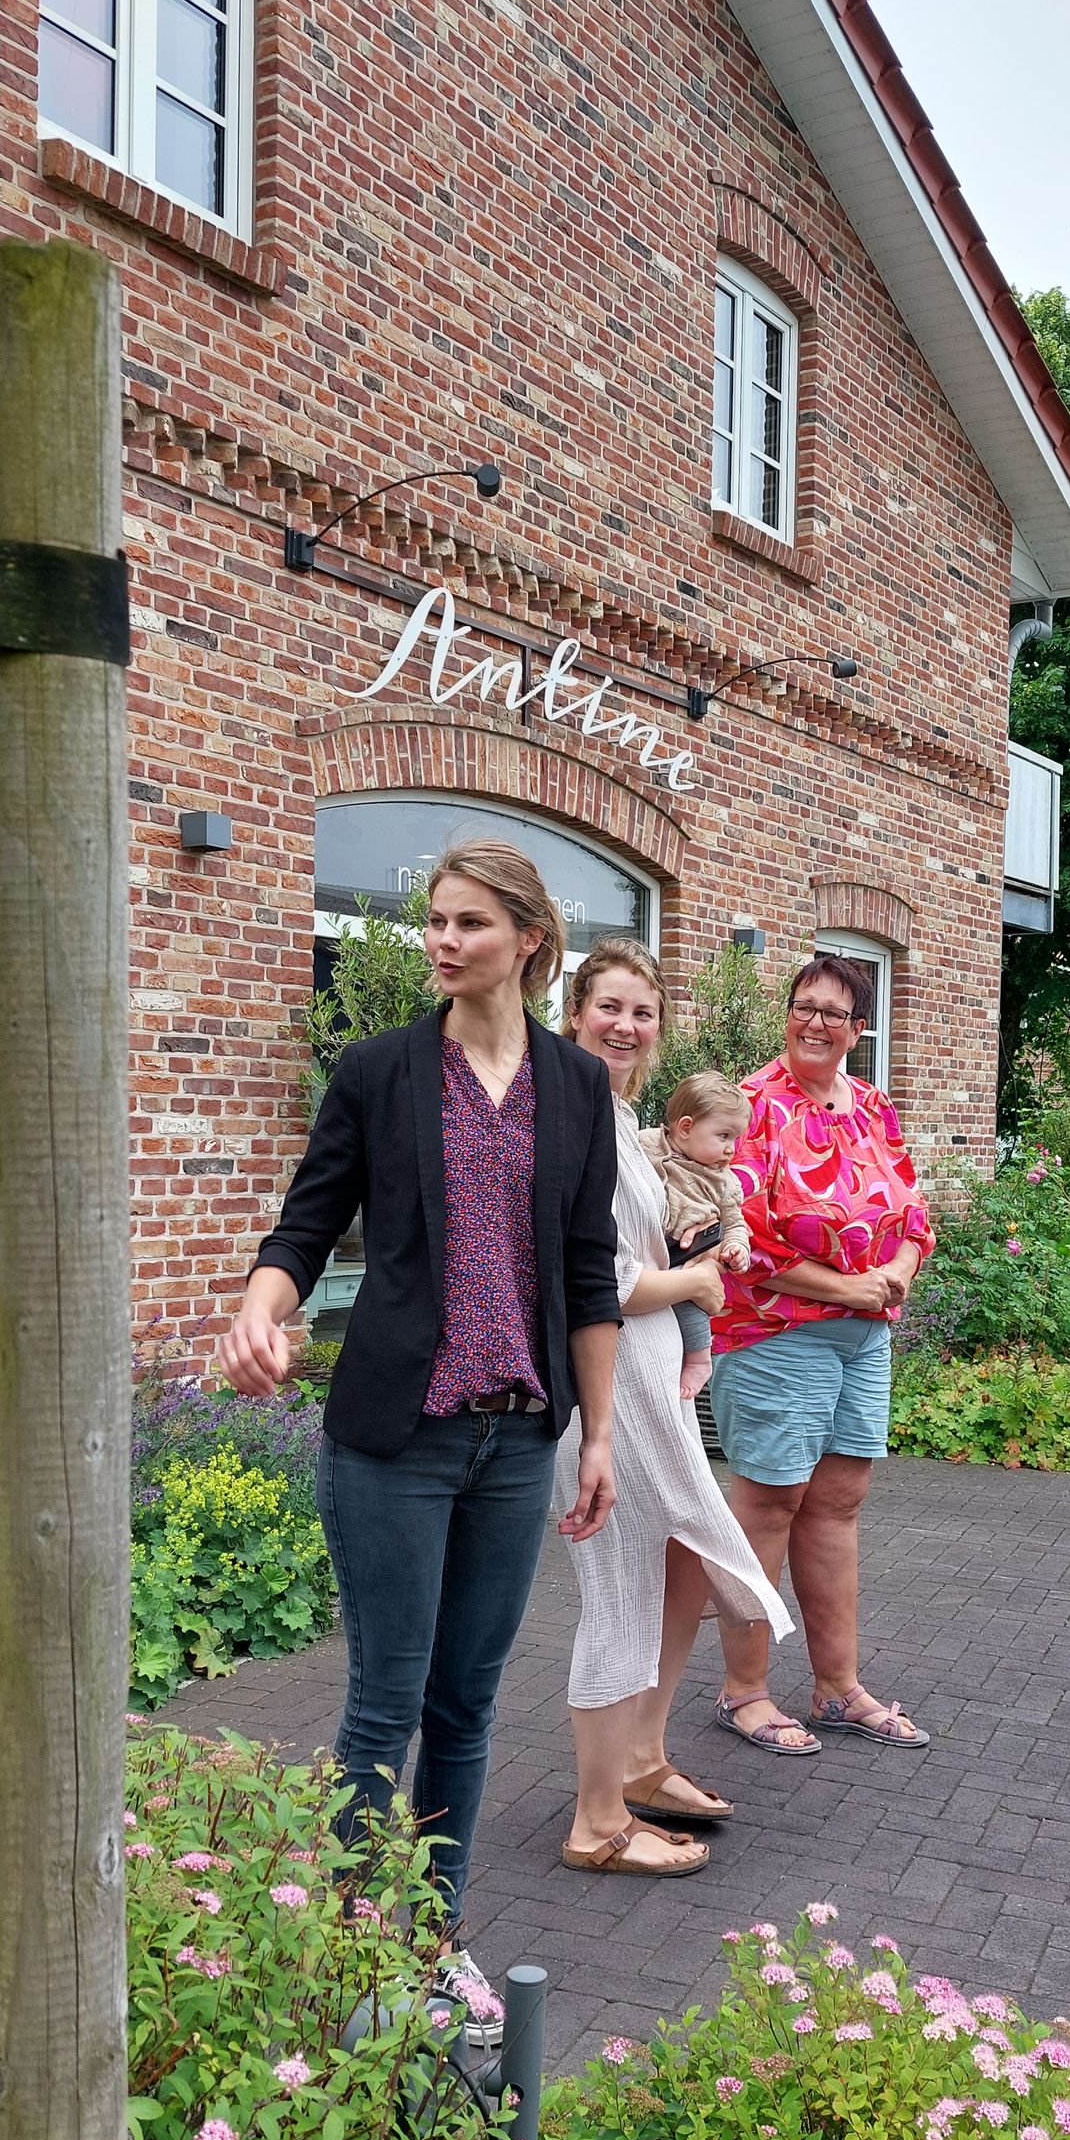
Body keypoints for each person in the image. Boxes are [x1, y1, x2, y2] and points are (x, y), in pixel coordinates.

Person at [218, 839, 620, 2016]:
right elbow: (306, 1227)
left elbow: (587, 1273)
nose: (444, 943)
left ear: (528, 942)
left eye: (470, 925)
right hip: (395, 1440)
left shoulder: (577, 1086)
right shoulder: (379, 1072)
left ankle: (433, 1938)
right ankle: (345, 1950)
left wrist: (596, 1435)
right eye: (436, 923)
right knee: (384, 1703)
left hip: (516, 1440)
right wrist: (260, 1307)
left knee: (465, 1705)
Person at [552, 943, 793, 1875]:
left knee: (683, 1554)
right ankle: (596, 1818)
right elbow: (599, 1282)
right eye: (609, 1005)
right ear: (576, 1011)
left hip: (656, 1373)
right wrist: (694, 1275)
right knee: (619, 1579)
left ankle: (643, 1759)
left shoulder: (621, 1114)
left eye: (642, 1011)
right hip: (608, 1377)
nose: (626, 1025)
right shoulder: (568, 1112)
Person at [707, 952, 935, 1755]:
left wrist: (895, 1275)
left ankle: (838, 1686)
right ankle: (745, 1690)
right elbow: (745, 1236)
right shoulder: (752, 1105)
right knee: (768, 1504)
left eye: (833, 1012)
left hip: (861, 1335)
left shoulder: (873, 1107)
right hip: (776, 1334)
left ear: (858, 1030)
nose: (813, 1021)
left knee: (838, 1502)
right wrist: (852, 1289)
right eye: (803, 1005)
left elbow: (913, 1213)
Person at [643, 1070, 752, 1405]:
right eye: (723, 1136)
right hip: (647, 1255)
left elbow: (735, 1223)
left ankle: (699, 1358)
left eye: (735, 1139)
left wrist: (735, 1247)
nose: (731, 1149)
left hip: (685, 1261)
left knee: (690, 1304)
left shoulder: (723, 1181)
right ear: (686, 1127)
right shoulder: (644, 1144)